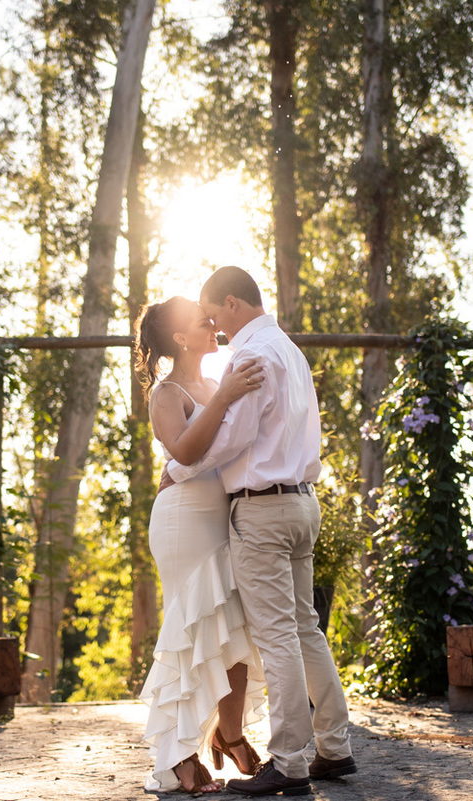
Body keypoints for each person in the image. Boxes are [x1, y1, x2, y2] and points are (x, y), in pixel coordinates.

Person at [164, 266, 356, 797]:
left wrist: (178, 468)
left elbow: (234, 438)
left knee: (277, 637)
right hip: (301, 503)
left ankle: (290, 763)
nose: (215, 329)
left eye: (214, 316)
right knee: (304, 628)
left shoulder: (250, 354)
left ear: (231, 303)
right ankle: (334, 749)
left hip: (263, 510)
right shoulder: (289, 349)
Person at [135, 295, 269, 794]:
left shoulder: (214, 384)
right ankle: (176, 757)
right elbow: (186, 449)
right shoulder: (166, 394)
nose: (213, 324)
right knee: (192, 632)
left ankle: (229, 734)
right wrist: (225, 395)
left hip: (223, 517)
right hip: (182, 522)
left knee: (233, 631)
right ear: (179, 338)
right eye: (202, 320)